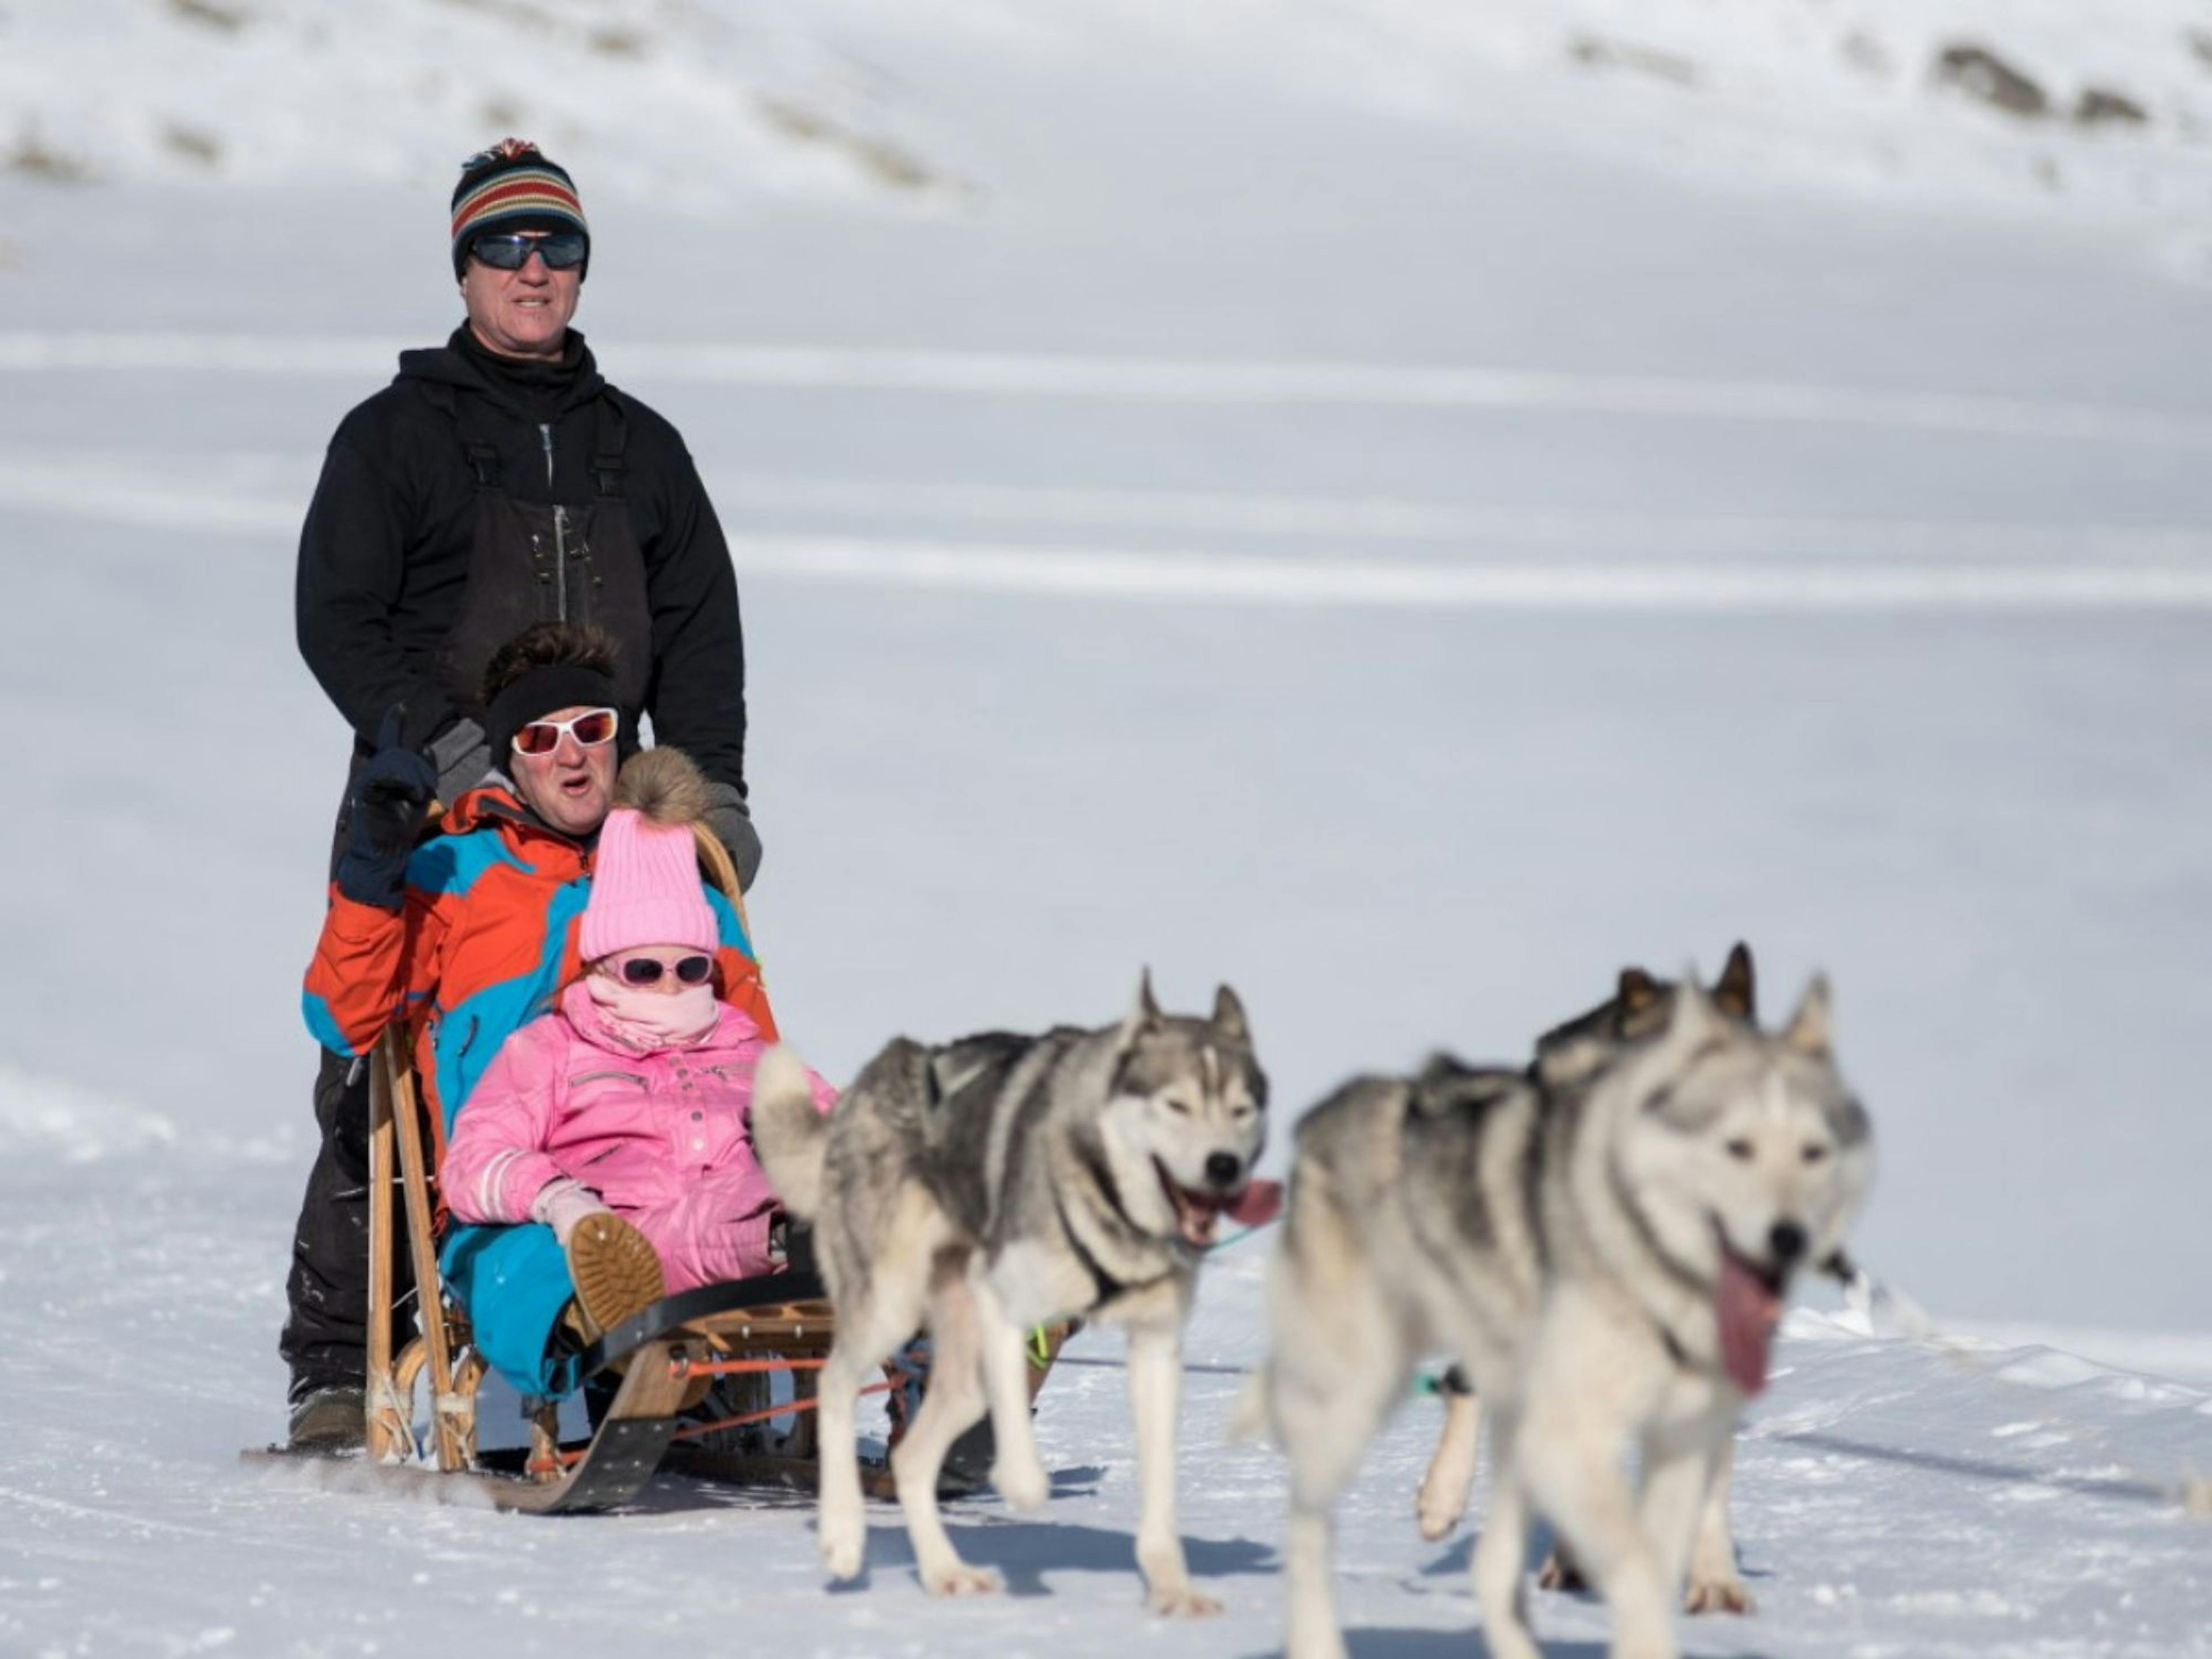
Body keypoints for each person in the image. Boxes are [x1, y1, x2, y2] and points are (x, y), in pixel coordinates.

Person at [285, 136, 761, 1442]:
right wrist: (442, 758)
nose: (532, 268)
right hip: (422, 802)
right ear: (463, 264)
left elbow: (702, 626)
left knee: (654, 1054)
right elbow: (339, 614)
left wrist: (705, 792)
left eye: (557, 245)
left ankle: (666, 1322)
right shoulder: (395, 437)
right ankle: (341, 1354)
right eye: (504, 246)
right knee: (382, 1063)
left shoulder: (639, 446)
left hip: (614, 808)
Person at [290, 624, 774, 1441]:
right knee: (536, 1268)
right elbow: (344, 1018)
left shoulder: (679, 882)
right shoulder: (462, 875)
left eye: (593, 729)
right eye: (541, 738)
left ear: (622, 742)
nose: (573, 755)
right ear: (511, 757)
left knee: (789, 1214)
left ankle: (940, 1340)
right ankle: (611, 1337)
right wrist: (373, 877)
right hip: (514, 1189)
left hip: (682, 1176)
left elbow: (754, 1053)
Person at [442, 759, 836, 1347]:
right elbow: (473, 1161)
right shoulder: (553, 1048)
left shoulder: (741, 1047)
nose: (673, 985)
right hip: (632, 1237)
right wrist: (559, 1198)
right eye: (646, 969)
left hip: (759, 1213)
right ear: (604, 966)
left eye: (693, 966)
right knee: (713, 1218)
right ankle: (796, 1240)